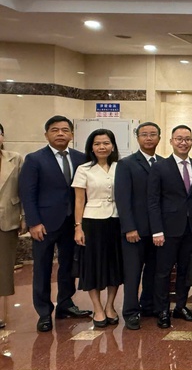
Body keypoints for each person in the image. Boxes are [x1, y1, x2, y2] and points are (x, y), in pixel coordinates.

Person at [19, 115, 92, 332]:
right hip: (45, 223)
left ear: (72, 134)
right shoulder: (35, 159)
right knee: (42, 268)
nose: (60, 133)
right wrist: (34, 222)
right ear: (46, 134)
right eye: (55, 130)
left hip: (72, 223)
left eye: (64, 130)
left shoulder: (81, 158)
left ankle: (65, 304)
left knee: (68, 265)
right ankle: (43, 312)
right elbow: (27, 193)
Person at [148, 125, 192, 329]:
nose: (183, 143)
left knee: (185, 270)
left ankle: (181, 306)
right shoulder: (160, 167)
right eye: (179, 139)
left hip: (191, 228)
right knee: (163, 272)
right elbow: (153, 201)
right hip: (167, 229)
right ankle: (162, 310)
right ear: (171, 141)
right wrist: (157, 230)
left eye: (187, 139)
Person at [71, 129, 124, 328]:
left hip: (116, 220)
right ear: (91, 148)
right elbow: (79, 200)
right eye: (97, 144)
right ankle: (97, 308)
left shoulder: (120, 167)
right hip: (92, 221)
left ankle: (110, 306)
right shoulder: (84, 169)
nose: (102, 147)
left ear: (113, 146)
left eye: (106, 143)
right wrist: (78, 227)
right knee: (93, 265)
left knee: (114, 265)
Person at [115, 121, 163, 330]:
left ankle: (148, 305)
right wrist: (129, 227)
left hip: (158, 230)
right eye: (144, 134)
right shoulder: (126, 164)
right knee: (133, 273)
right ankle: (131, 311)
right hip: (135, 230)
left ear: (160, 138)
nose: (149, 138)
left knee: (153, 270)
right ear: (137, 138)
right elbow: (122, 198)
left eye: (153, 134)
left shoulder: (163, 163)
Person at [0, 122, 26, 329]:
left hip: (6, 219)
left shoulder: (14, 158)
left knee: (3, 268)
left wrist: (24, 216)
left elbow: (23, 189)